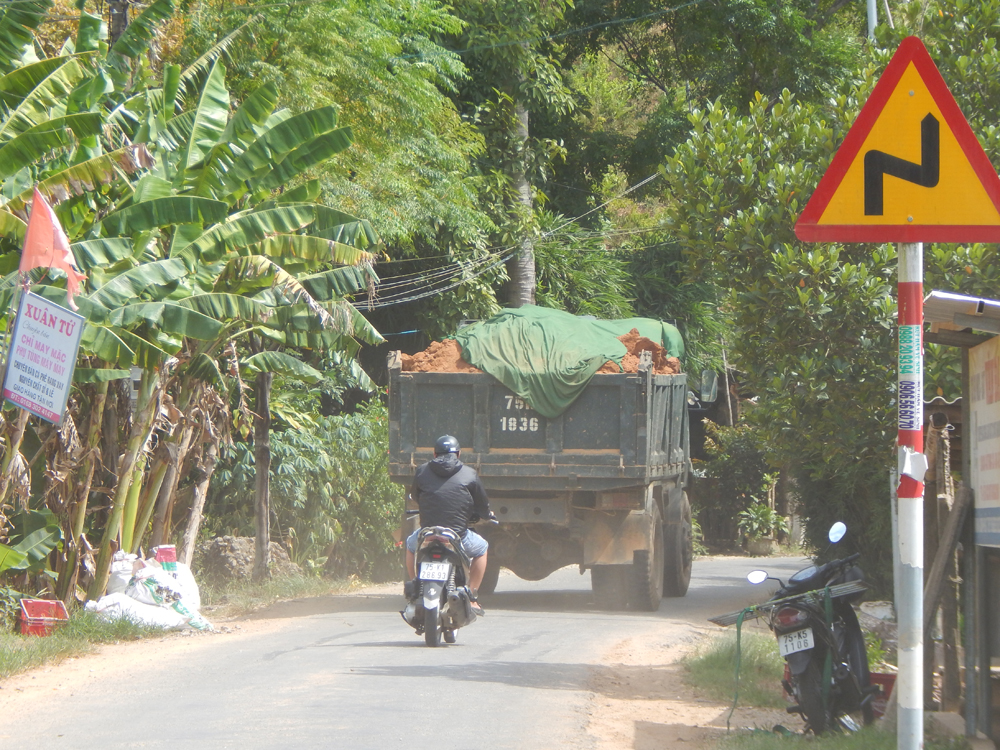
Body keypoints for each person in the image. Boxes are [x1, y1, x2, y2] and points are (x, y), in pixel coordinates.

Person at [405, 434, 494, 615]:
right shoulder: (470, 474)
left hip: (427, 534)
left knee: (410, 546)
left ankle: (415, 587)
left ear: (434, 454)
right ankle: (472, 595)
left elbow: (415, 496)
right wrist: (487, 515)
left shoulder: (422, 471)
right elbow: (482, 505)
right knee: (482, 549)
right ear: (458, 454)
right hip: (457, 536)